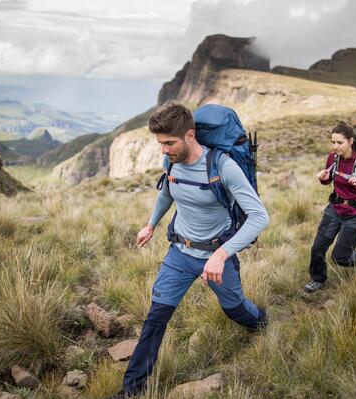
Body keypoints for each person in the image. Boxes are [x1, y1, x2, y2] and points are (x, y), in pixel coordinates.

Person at [106, 102, 269, 398]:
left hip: (217, 255)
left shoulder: (222, 166)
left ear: (190, 135)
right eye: (160, 143)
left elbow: (260, 217)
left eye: (169, 143)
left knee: (235, 310)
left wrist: (221, 255)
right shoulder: (171, 162)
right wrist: (151, 224)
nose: (163, 150)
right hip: (180, 253)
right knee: (156, 317)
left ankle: (260, 321)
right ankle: (132, 390)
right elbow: (166, 193)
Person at [303, 121, 356, 293]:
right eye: (333, 142)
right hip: (334, 210)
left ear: (350, 141)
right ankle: (318, 279)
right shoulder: (333, 158)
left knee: (340, 258)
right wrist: (323, 178)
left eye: (340, 142)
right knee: (318, 248)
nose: (335, 146)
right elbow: (329, 181)